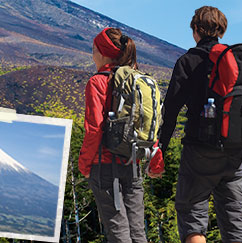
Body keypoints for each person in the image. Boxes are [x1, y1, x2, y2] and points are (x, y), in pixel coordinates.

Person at [159, 6, 242, 243]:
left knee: (192, 217)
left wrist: (160, 150)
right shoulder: (238, 61)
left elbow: (170, 112)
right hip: (235, 151)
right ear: (221, 29)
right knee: (236, 226)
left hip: (199, 151)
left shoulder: (188, 61)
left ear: (196, 29)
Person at [79, 27, 164, 242]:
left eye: (93, 50)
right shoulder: (136, 81)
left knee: (118, 231)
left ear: (102, 53)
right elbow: (149, 124)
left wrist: (85, 165)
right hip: (133, 163)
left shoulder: (97, 82)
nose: (93, 56)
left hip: (105, 167)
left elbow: (94, 129)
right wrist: (155, 161)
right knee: (137, 231)